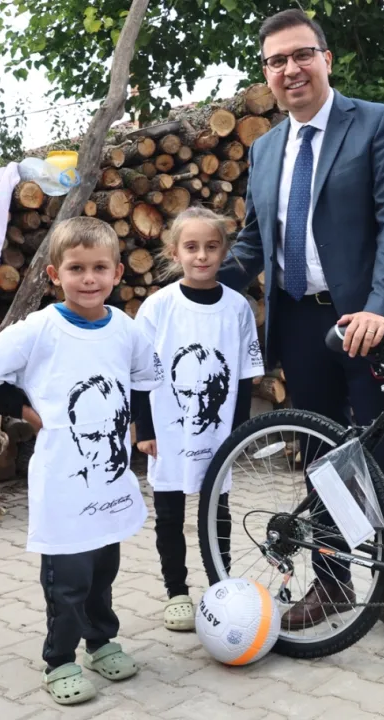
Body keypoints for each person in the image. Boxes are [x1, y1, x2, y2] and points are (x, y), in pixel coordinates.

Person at [216, 8, 384, 645]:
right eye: (276, 61)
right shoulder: (263, 149)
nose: (290, 69)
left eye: (301, 55)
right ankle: (334, 580)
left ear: (326, 59)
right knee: (322, 458)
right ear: (266, 74)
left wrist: (381, 307)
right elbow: (255, 240)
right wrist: (199, 285)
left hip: (373, 324)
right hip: (301, 324)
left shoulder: (377, 123)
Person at [0, 216, 164, 706]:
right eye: (76, 268)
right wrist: (24, 411)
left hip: (110, 484)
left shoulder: (126, 330)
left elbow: (142, 381)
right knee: (68, 578)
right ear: (55, 275)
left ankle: (101, 641)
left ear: (118, 273)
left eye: (99, 268)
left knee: (103, 568)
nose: (89, 279)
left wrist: (145, 431)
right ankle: (60, 660)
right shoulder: (40, 328)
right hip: (63, 484)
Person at [132, 206, 263, 632]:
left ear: (225, 251)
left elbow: (243, 375)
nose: (201, 256)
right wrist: (144, 429)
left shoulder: (237, 308)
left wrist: (238, 434)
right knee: (169, 514)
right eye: (191, 247)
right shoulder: (158, 307)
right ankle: (176, 592)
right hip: (168, 434)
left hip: (220, 437)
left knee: (216, 512)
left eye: (211, 246)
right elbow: (139, 373)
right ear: (175, 252)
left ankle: (220, 586)